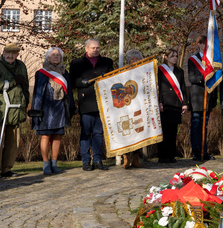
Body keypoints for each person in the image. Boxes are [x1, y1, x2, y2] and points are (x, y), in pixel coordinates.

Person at [69, 39, 113, 171]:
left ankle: (98, 160)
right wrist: (81, 82)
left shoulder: (107, 62)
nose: (96, 50)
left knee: (98, 133)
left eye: (98, 48)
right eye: (93, 48)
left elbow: (113, 78)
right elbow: (71, 81)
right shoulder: (77, 63)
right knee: (86, 133)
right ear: (86, 49)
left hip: (102, 102)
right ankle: (86, 161)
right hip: (86, 102)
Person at [29, 47, 74, 175]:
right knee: (45, 135)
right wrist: (36, 110)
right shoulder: (41, 73)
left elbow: (68, 91)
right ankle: (45, 163)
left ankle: (54, 163)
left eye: (58, 55)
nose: (56, 57)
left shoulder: (64, 73)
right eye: (53, 55)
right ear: (48, 57)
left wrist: (70, 107)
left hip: (60, 108)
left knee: (58, 136)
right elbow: (37, 93)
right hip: (46, 109)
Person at [0, 43, 29, 178]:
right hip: (2, 108)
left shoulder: (21, 66)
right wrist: (12, 82)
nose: (10, 56)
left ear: (17, 55)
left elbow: (25, 86)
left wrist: (25, 103)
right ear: (4, 52)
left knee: (13, 141)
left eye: (13, 54)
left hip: (16, 108)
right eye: (8, 53)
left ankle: (7, 169)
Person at [157, 47, 188, 164]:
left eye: (176, 56)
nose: (175, 58)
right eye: (172, 56)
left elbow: (183, 88)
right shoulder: (160, 70)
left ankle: (171, 155)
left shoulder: (179, 71)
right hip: (165, 104)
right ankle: (162, 156)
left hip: (176, 103)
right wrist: (159, 101)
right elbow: (158, 87)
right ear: (166, 57)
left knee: (173, 131)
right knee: (164, 131)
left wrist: (185, 104)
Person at [187, 35, 216, 161]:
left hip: (208, 97)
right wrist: (203, 79)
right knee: (196, 126)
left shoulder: (212, 60)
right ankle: (196, 152)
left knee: (204, 126)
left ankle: (204, 151)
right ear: (198, 45)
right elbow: (191, 78)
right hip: (197, 98)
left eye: (207, 44)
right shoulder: (192, 59)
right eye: (202, 44)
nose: (204, 46)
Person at [118, 48, 147, 169]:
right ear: (128, 61)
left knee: (139, 133)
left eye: (137, 59)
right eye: (132, 59)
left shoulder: (144, 73)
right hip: (126, 108)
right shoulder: (123, 72)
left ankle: (136, 158)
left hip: (139, 107)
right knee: (127, 133)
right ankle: (126, 158)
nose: (134, 61)